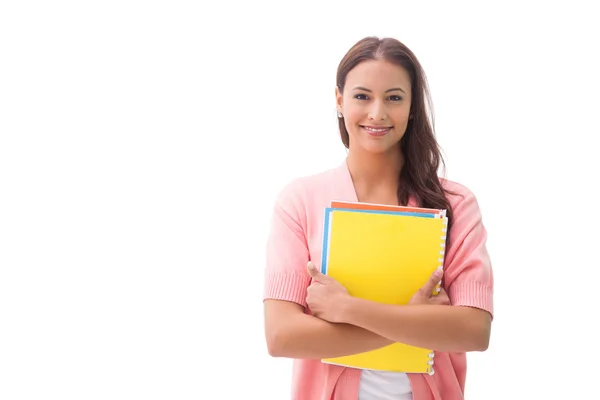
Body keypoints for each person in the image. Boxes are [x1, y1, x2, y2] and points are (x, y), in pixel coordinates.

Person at [262, 36, 494, 400]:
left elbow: (474, 330)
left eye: (394, 98)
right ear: (339, 100)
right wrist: (414, 321)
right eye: (362, 96)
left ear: (413, 106)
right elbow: (281, 336)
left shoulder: (455, 203)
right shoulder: (300, 201)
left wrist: (347, 309)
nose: (377, 113)